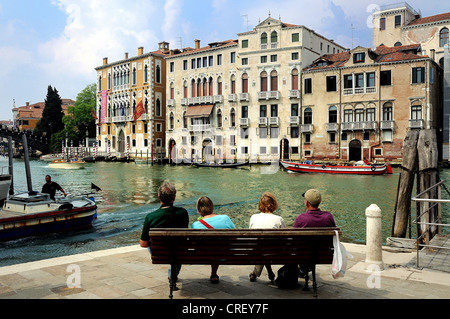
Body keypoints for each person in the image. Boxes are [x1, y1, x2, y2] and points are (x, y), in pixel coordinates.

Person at [140, 182, 189, 288]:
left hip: (159, 253)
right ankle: (173, 276)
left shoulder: (150, 217)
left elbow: (143, 244)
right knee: (177, 249)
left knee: (153, 244)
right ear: (174, 197)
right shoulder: (183, 213)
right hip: (179, 251)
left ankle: (172, 277)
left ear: (158, 197)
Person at [294, 189, 336, 279]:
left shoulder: (301, 218)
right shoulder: (328, 217)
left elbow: (294, 238)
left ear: (306, 203)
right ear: (319, 202)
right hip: (324, 255)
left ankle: (303, 268)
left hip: (303, 254)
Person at [191, 196, 235, 283]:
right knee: (217, 247)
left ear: (198, 209)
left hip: (203, 256)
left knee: (211, 248)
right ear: (211, 206)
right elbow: (234, 237)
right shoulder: (225, 218)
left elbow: (194, 243)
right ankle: (214, 273)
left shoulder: (196, 225)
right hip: (225, 254)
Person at [248, 192, 286, 283]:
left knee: (261, 247)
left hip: (255, 252)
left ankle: (257, 272)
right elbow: (285, 238)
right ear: (274, 204)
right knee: (267, 248)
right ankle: (268, 271)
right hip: (275, 253)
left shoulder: (253, 217)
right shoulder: (279, 219)